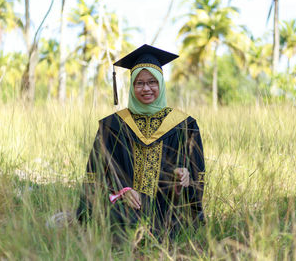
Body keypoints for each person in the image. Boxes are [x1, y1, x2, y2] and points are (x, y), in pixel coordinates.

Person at [76, 44, 205, 239]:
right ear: (132, 86)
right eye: (139, 83)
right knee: (120, 222)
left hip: (166, 206)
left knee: (170, 226)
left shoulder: (183, 125)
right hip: (125, 207)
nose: (146, 88)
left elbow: (196, 173)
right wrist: (121, 192)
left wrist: (184, 174)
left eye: (152, 82)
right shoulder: (113, 125)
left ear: (161, 84)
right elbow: (96, 173)